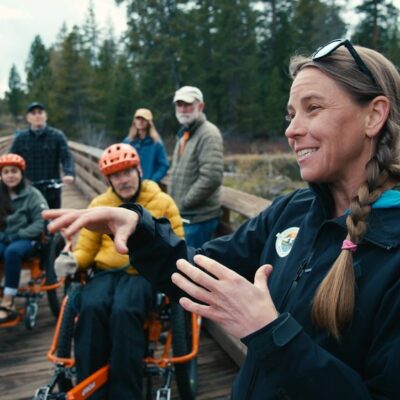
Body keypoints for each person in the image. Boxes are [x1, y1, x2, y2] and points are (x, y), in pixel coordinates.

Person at [44, 39, 400, 400]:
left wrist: (270, 333)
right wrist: (139, 230)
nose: (291, 130)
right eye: (291, 114)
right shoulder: (292, 210)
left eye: (313, 108)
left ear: (373, 115)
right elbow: (197, 271)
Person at [53, 143, 184, 399]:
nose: (123, 180)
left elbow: (177, 242)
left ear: (139, 170)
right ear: (109, 180)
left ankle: (126, 393)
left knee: (125, 310)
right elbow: (87, 250)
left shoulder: (162, 202)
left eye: (127, 172)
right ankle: (93, 389)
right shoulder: (100, 203)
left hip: (143, 274)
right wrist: (72, 260)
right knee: (90, 307)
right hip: (105, 272)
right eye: (116, 175)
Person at [170, 85, 224, 247]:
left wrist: (184, 202)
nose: (183, 109)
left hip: (198, 218)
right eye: (179, 104)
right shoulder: (185, 134)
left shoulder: (209, 133)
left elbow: (212, 177)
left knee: (192, 267)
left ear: (200, 106)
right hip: (186, 217)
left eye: (188, 104)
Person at [0, 154, 48, 323]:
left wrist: (20, 235)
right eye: (6, 172)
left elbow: (41, 220)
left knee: (12, 252)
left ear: (21, 173)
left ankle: (8, 299)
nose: (10, 176)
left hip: (26, 237)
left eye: (14, 171)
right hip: (4, 236)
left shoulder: (32, 194)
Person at [10, 102, 75, 209]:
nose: (37, 116)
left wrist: (69, 173)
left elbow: (66, 156)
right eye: (33, 113)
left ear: (46, 116)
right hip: (28, 188)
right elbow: (12, 159)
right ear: (28, 118)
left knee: (53, 220)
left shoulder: (57, 135)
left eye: (40, 112)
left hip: (52, 187)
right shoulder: (21, 138)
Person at [122, 108, 169, 183]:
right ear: (134, 121)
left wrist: (153, 180)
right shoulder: (127, 142)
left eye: (143, 119)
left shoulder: (156, 143)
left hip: (146, 186)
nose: (140, 121)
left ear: (149, 122)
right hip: (130, 185)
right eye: (138, 118)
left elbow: (164, 165)